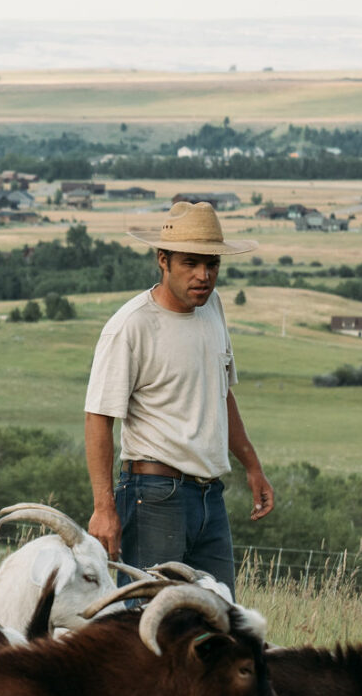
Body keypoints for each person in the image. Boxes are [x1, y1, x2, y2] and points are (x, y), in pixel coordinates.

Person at [82, 201, 273, 591]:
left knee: (220, 626)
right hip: (153, 496)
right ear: (163, 260)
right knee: (151, 628)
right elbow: (98, 417)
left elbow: (223, 395)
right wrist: (104, 509)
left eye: (212, 265)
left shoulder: (213, 308)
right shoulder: (131, 326)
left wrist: (253, 467)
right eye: (191, 263)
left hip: (210, 497)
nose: (204, 276)